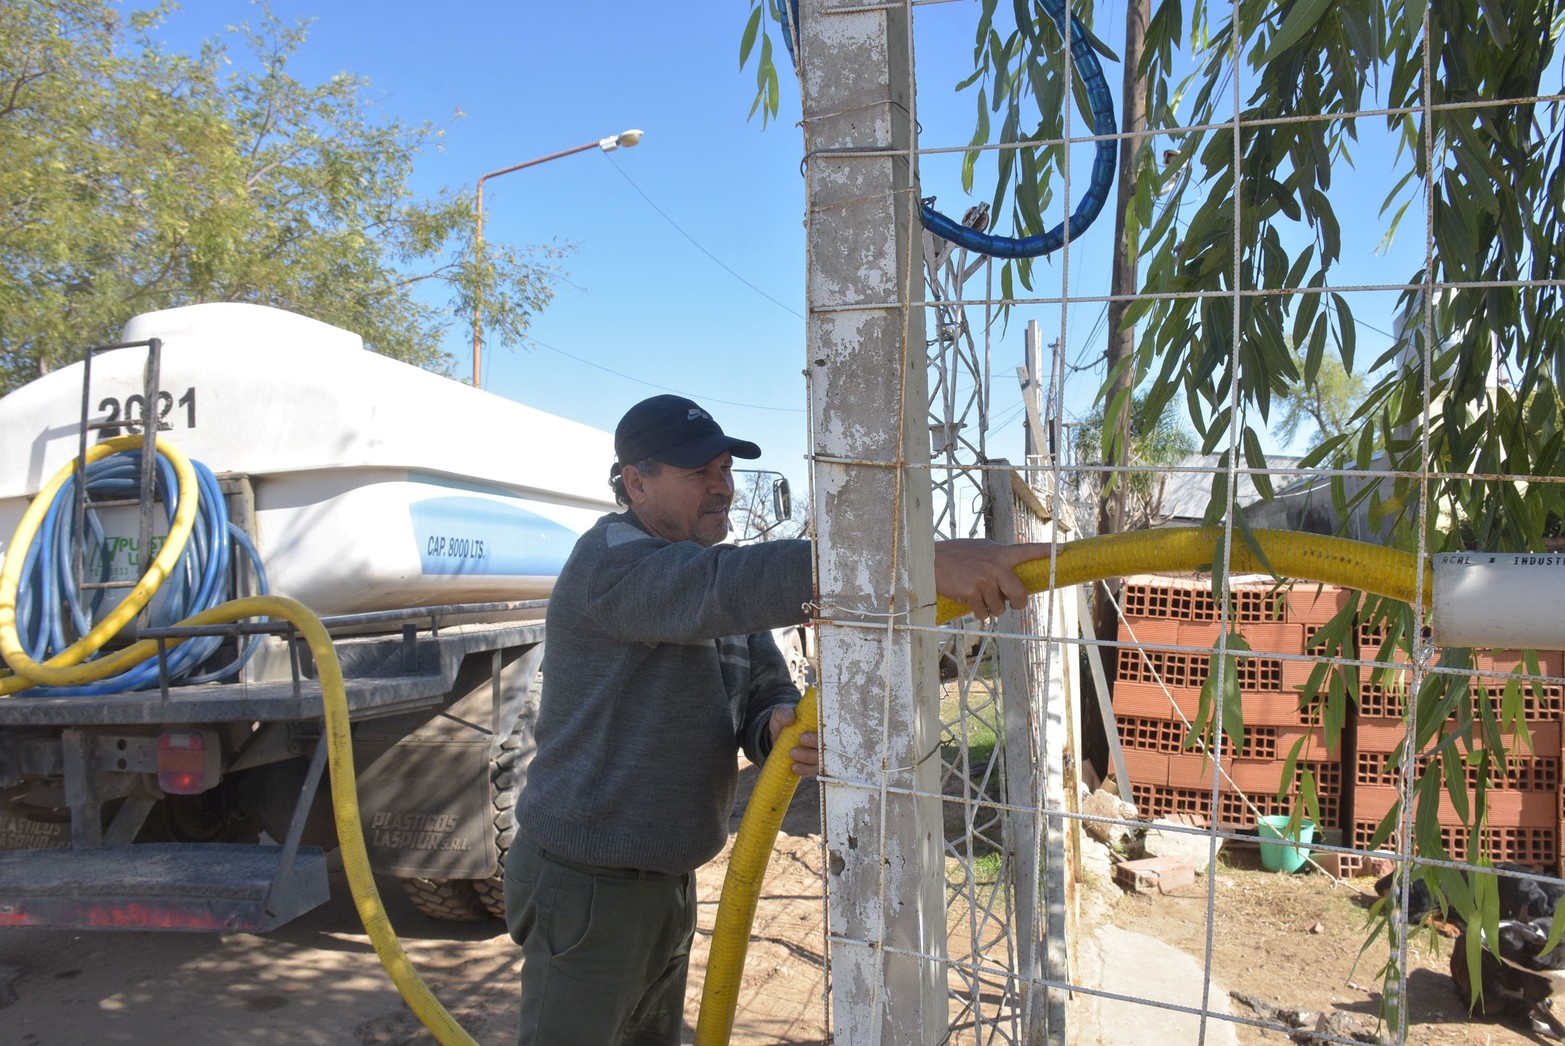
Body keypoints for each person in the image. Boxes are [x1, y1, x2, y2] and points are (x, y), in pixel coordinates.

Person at [507, 394, 1050, 1045]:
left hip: (660, 882)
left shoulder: (692, 576)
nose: (721, 488)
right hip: (590, 887)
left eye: (724, 470)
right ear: (636, 481)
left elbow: (761, 687)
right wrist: (914, 561)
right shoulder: (613, 564)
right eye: (698, 474)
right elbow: (721, 587)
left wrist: (771, 728)